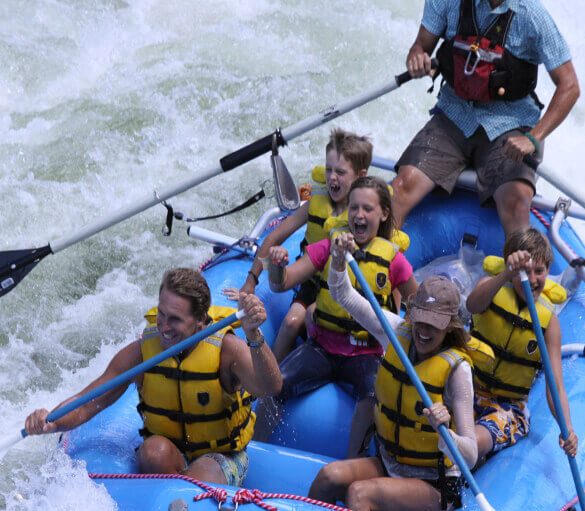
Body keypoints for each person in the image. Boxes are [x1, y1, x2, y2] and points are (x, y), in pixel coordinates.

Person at [23, 268, 282, 487]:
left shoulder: (227, 351)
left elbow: (271, 386)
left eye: (175, 319)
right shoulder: (142, 353)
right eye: (161, 314)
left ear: (201, 319)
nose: (164, 327)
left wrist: (253, 335)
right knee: (152, 451)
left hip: (221, 455)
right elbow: (89, 400)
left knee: (204, 472)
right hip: (170, 454)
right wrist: (50, 422)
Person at [308, 238, 493, 511]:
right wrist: (337, 259)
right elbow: (342, 294)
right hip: (390, 463)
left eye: (434, 325)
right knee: (328, 476)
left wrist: (447, 433)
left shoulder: (458, 370)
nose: (424, 331)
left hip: (435, 483)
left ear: (449, 328)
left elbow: (468, 455)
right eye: (420, 320)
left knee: (359, 494)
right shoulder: (396, 331)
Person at [393, 0, 580, 238]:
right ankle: (376, 265)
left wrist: (532, 139)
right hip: (454, 116)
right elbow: (420, 46)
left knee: (515, 205)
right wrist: (417, 57)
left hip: (510, 125)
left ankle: (517, 273)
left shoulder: (532, 15)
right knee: (401, 187)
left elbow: (570, 86)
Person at [262, 176, 418, 458]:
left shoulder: (394, 260)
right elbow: (280, 284)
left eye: (367, 209)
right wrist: (276, 265)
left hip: (367, 354)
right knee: (275, 383)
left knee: (373, 397)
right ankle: (253, 447)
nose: (358, 215)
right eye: (353, 207)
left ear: (383, 213)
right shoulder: (327, 247)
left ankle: (352, 462)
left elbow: (418, 304)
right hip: (321, 348)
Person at [236, 128, 373, 362]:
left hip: (347, 288)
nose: (331, 177)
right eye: (329, 170)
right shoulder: (315, 203)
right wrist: (250, 282)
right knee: (292, 321)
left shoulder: (366, 216)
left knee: (313, 316)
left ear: (360, 176)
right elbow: (273, 238)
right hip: (311, 281)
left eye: (340, 172)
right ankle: (270, 385)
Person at [465, 227, 577, 461]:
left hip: (507, 409)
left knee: (471, 442)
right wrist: (506, 275)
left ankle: (462, 457)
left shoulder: (549, 324)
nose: (533, 279)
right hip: (465, 390)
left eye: (539, 271)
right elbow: (473, 305)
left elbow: (555, 387)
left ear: (547, 271)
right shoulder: (491, 286)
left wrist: (567, 429)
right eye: (524, 272)